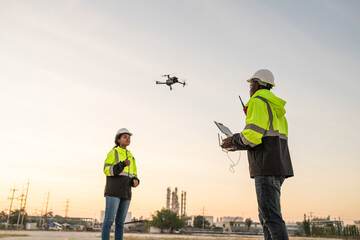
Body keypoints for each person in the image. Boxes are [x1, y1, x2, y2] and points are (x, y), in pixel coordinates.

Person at [221, 69, 293, 240]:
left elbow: (253, 136)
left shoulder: (258, 101)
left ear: (258, 84)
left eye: (251, 83)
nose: (250, 88)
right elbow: (263, 138)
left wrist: (233, 140)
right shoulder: (275, 107)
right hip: (278, 165)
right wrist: (238, 145)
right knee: (267, 217)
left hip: (265, 166)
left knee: (271, 218)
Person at [101, 128, 140, 240]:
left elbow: (134, 174)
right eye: (125, 137)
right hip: (113, 191)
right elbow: (106, 170)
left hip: (126, 193)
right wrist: (122, 164)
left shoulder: (131, 156)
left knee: (120, 223)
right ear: (118, 140)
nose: (128, 139)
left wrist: (136, 180)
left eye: (129, 137)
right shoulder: (113, 152)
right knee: (108, 221)